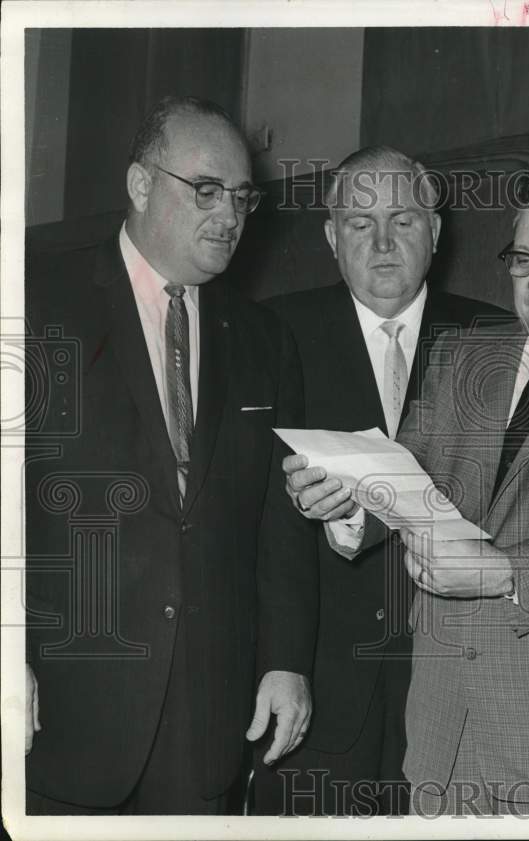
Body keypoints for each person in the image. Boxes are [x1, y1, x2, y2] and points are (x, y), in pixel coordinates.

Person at [289, 160, 529, 814]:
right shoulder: (463, 355)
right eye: (522, 260)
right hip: (441, 734)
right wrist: (349, 501)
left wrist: (501, 572)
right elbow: (406, 476)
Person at [24, 96, 316, 815]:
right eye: (206, 190)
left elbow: (279, 521)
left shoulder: (265, 340)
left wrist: (285, 659)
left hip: (208, 721)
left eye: (242, 197)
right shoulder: (36, 300)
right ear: (140, 184)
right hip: (61, 709)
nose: (230, 216)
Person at [256, 146, 510, 815]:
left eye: (402, 218)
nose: (383, 241)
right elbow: (262, 527)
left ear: (435, 229)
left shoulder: (499, 337)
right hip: (320, 687)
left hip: (461, 690)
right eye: (360, 222)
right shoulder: (274, 332)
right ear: (332, 237)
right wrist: (279, 662)